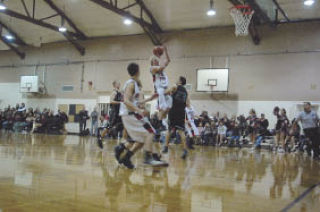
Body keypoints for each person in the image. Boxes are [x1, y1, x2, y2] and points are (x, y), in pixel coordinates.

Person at [113, 63, 168, 169]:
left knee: (142, 140)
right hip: (130, 114)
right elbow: (126, 101)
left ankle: (126, 157)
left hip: (132, 114)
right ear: (138, 71)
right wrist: (140, 110)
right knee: (150, 132)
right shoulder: (131, 84)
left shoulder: (133, 84)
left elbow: (134, 102)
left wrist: (150, 99)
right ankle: (148, 158)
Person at [162, 76, 190, 159]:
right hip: (182, 112)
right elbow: (188, 104)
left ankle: (166, 147)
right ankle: (185, 150)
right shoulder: (186, 91)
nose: (176, 80)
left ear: (180, 81)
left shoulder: (175, 86)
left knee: (169, 129)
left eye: (178, 79)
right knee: (181, 131)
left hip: (174, 110)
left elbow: (165, 93)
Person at [150, 45, 172, 130]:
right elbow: (163, 66)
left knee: (169, 107)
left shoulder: (161, 69)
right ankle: (158, 125)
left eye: (156, 60)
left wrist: (165, 51)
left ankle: (160, 123)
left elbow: (168, 60)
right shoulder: (152, 68)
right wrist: (158, 55)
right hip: (160, 90)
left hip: (166, 89)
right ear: (152, 62)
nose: (157, 61)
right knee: (163, 108)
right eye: (155, 60)